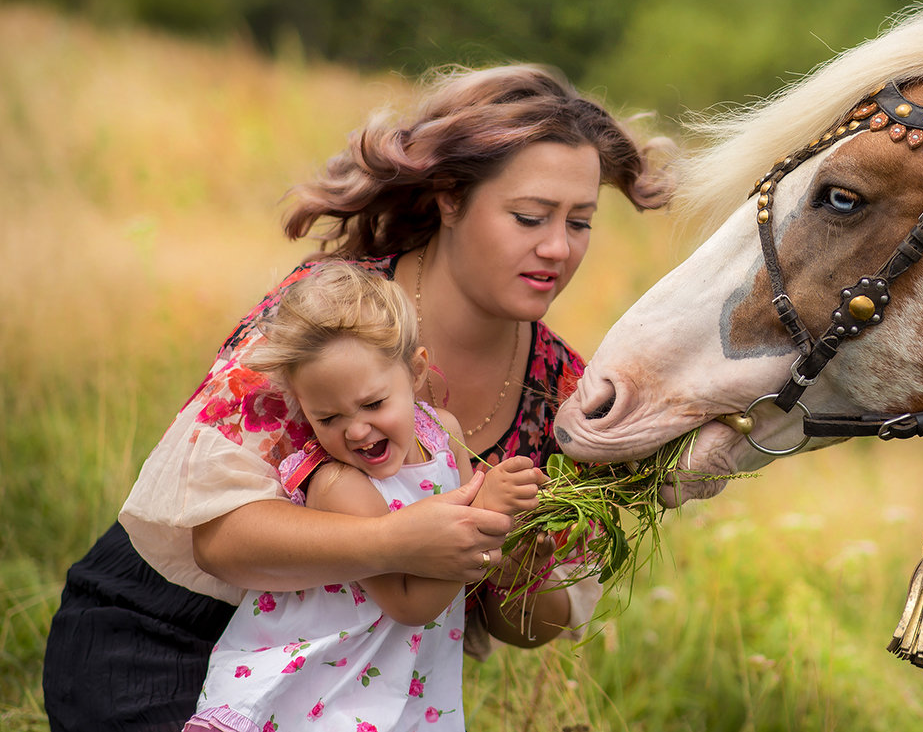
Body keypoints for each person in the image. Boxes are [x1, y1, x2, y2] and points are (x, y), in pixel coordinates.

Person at [42, 63, 671, 732]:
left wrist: (509, 540)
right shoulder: (334, 313)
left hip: (353, 702)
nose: (556, 247)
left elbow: (528, 623)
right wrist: (399, 539)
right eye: (528, 216)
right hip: (170, 642)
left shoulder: (564, 390)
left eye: (580, 222)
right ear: (450, 197)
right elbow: (222, 543)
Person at [185, 261, 544, 732]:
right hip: (334, 682)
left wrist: (512, 536)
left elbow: (465, 548)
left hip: (408, 675)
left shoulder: (443, 433)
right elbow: (410, 603)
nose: (356, 430)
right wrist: (489, 511)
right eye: (327, 418)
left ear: (415, 372)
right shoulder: (340, 485)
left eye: (374, 404)